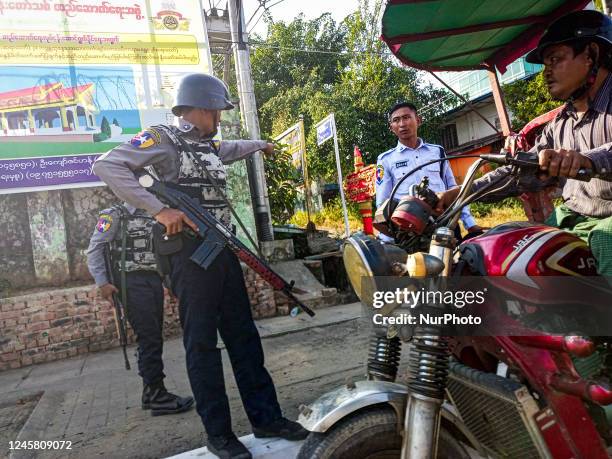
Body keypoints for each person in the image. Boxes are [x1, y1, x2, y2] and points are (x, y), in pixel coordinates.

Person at [93, 73, 307, 459]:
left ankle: (267, 418)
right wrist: (159, 210)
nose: (221, 119)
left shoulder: (208, 146)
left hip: (221, 251)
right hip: (189, 259)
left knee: (244, 339)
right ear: (203, 108)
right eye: (218, 112)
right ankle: (219, 434)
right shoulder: (164, 140)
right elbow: (108, 166)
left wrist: (262, 145)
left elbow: (233, 148)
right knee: (202, 345)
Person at [436, 10, 612, 276]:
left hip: (607, 222)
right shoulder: (559, 123)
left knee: (605, 243)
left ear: (591, 55)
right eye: (545, 64)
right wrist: (461, 193)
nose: (546, 72)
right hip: (572, 217)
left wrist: (587, 160)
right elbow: (519, 170)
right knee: (510, 251)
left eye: (555, 59)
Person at [86, 204, 194, 416]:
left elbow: (159, 253)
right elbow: (94, 248)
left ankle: (150, 392)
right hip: (130, 282)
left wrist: (168, 282)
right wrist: (103, 283)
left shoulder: (155, 213)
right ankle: (157, 395)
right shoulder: (113, 214)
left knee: (153, 337)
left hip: (152, 279)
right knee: (149, 338)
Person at [375, 101, 481, 241]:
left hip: (445, 221)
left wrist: (470, 223)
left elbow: (453, 189)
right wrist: (389, 239)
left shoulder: (437, 151)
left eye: (406, 117)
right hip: (409, 229)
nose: (402, 124)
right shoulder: (386, 159)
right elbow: (383, 202)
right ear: (391, 127)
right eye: (396, 120)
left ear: (418, 120)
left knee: (456, 261)